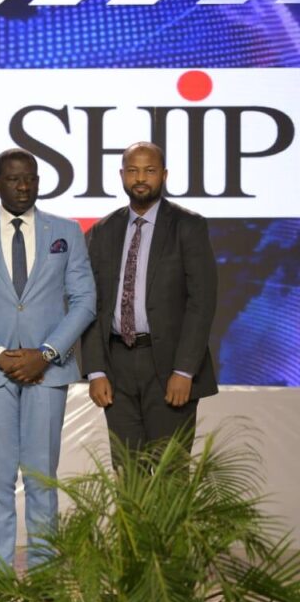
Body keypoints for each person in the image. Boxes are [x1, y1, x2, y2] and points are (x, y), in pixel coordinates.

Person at [0, 148, 96, 576]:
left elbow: (85, 301)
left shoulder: (66, 231)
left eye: (31, 178)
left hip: (47, 371)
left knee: (42, 479)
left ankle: (44, 576)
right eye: (14, 179)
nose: (23, 186)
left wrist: (47, 353)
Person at [82, 141, 218, 462]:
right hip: (116, 367)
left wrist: (184, 370)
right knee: (129, 474)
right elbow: (91, 304)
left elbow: (202, 302)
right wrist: (96, 370)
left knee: (170, 473)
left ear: (164, 175)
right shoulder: (102, 231)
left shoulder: (188, 226)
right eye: (133, 171)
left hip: (170, 367)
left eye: (149, 170)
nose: (140, 178)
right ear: (122, 175)